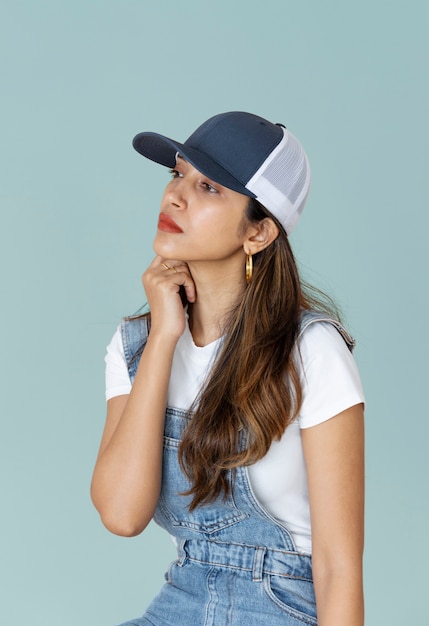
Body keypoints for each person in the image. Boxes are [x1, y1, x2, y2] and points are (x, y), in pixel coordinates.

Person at [91, 111, 365, 626]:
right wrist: (164, 339)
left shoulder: (310, 352)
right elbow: (122, 514)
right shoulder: (135, 345)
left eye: (208, 187)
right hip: (183, 597)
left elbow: (339, 567)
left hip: (284, 605)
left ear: (258, 234)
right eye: (177, 174)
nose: (175, 196)